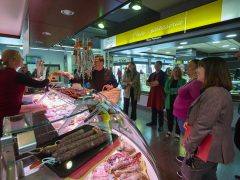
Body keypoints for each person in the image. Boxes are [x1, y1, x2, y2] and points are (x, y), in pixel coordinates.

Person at [181, 57, 234, 179]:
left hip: (206, 149)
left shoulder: (214, 93)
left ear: (211, 71)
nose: (197, 70)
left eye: (201, 66)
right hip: (212, 150)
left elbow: (203, 125)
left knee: (189, 174)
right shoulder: (219, 91)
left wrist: (189, 146)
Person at [0, 49, 52, 137]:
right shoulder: (16, 75)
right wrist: (52, 75)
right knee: (9, 140)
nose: (22, 60)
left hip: (5, 113)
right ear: (12, 60)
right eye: (20, 58)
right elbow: (41, 84)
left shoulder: (3, 73)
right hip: (8, 116)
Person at [173, 60, 202, 178]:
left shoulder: (196, 83)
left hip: (186, 117)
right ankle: (186, 159)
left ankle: (188, 168)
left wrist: (189, 118)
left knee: (189, 143)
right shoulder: (191, 81)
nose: (187, 68)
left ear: (197, 69)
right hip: (181, 115)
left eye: (190, 66)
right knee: (186, 140)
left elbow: (197, 102)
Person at [164, 67, 186, 140]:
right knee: (169, 118)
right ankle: (169, 131)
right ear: (172, 72)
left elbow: (182, 90)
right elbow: (166, 90)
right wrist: (176, 90)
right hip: (169, 102)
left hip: (178, 103)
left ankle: (177, 134)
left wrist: (172, 90)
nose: (175, 72)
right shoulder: (169, 80)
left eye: (177, 71)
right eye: (174, 71)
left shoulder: (183, 81)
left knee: (178, 119)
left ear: (179, 72)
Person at [146, 61, 166, 132]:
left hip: (160, 94)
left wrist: (152, 83)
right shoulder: (152, 74)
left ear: (161, 66)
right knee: (153, 108)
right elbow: (147, 83)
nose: (156, 66)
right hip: (153, 93)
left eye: (158, 65)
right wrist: (154, 83)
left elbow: (158, 83)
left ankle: (161, 126)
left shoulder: (163, 74)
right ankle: (153, 122)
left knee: (160, 110)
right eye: (155, 65)